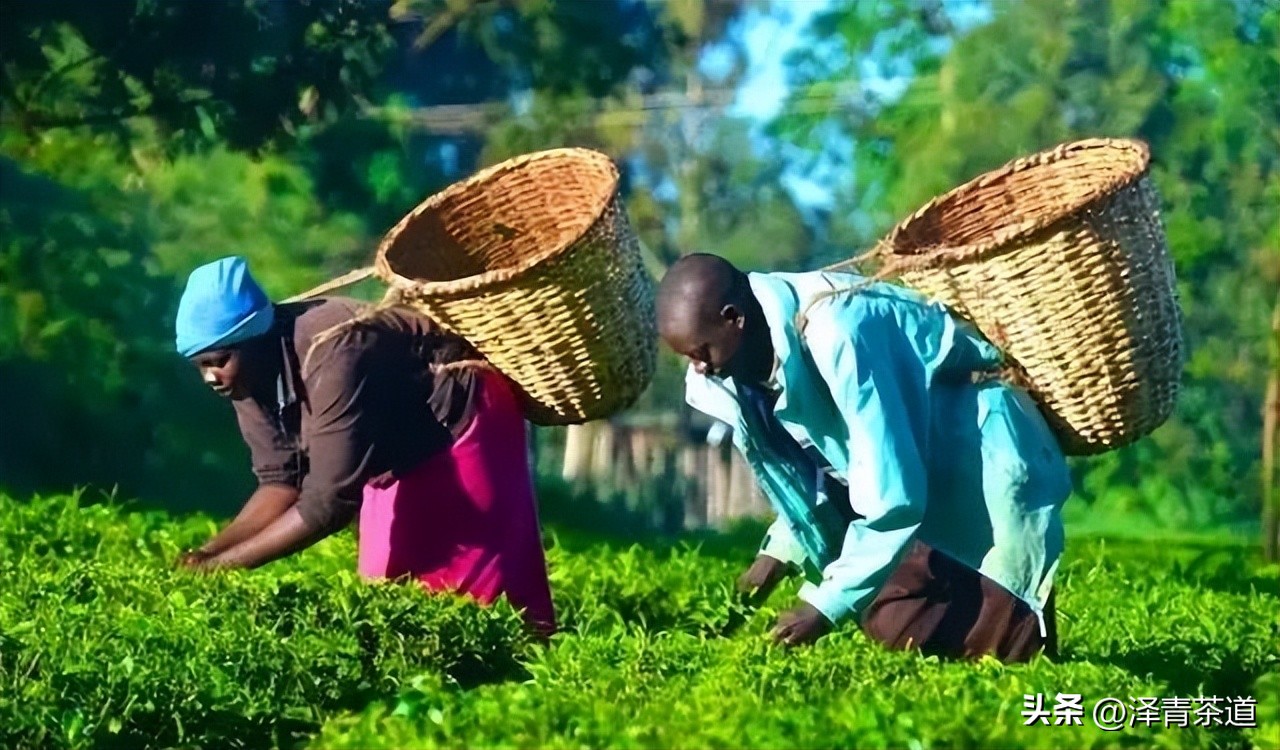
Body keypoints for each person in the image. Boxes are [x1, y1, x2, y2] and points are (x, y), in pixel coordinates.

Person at [656, 253, 1072, 662]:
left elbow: (894, 494)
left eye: (700, 351)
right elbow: (817, 461)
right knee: (886, 609)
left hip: (975, 454)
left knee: (1003, 636)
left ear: (734, 318)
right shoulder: (744, 366)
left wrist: (823, 609)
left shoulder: (838, 333)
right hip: (909, 464)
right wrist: (776, 556)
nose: (698, 368)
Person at [172, 255, 555, 635]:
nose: (211, 377)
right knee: (388, 589)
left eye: (219, 360)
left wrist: (224, 567)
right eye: (199, 365)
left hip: (460, 424)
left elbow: (330, 501)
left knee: (471, 598)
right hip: (392, 450)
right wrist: (208, 554)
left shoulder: (333, 346)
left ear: (254, 338)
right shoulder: (244, 379)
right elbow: (280, 481)